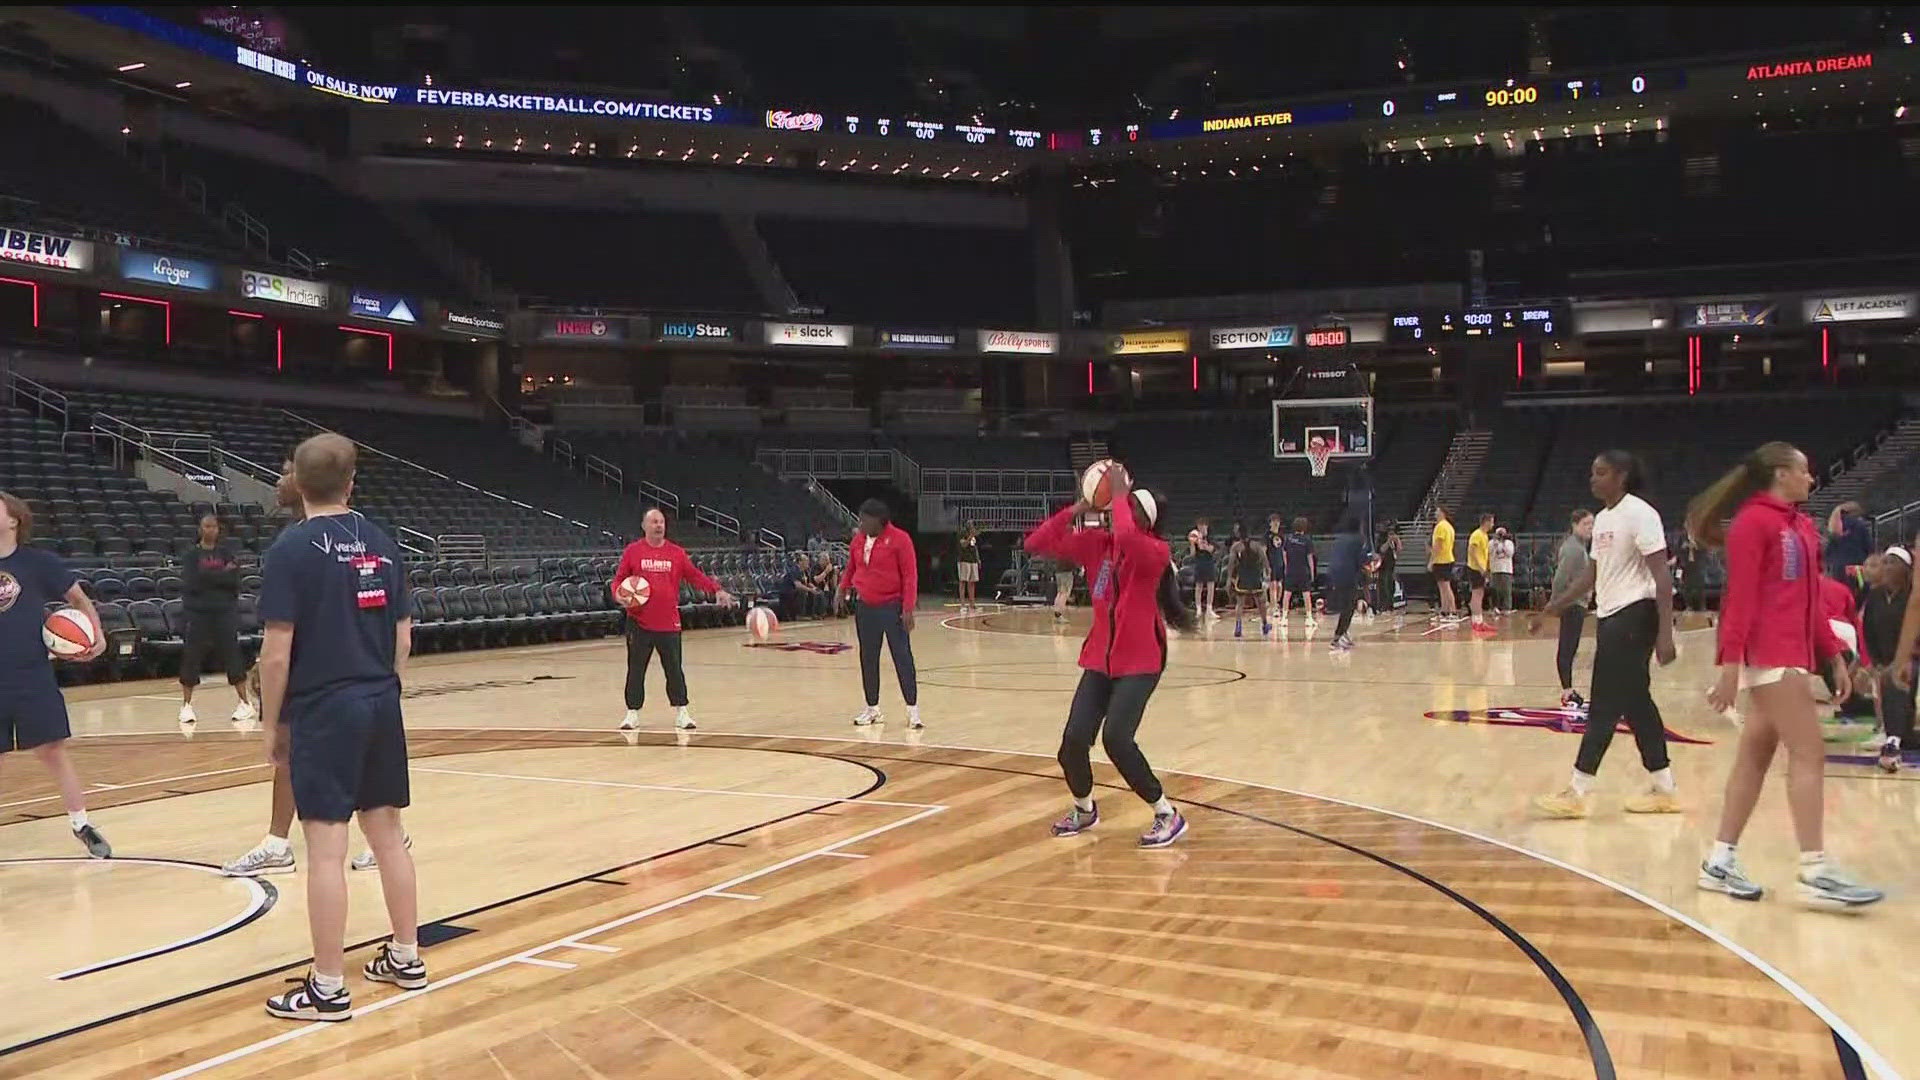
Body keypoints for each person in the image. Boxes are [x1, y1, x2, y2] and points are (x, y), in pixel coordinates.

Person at [256, 434, 425, 1021]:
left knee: (326, 850)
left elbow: (276, 654)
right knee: (388, 836)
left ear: (298, 485)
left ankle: (327, 988)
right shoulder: (382, 542)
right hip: (380, 700)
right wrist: (382, 684)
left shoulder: (291, 549)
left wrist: (271, 722)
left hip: (325, 708)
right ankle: (407, 956)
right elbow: (404, 635)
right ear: (351, 482)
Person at [1688, 442, 1883, 910]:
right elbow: (1740, 599)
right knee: (1809, 750)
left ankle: (1719, 861)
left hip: (1793, 653)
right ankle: (1815, 869)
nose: (1811, 479)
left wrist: (1834, 655)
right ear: (1780, 474)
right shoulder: (1754, 524)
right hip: (1770, 656)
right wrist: (1730, 667)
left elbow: (1812, 599)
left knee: (1755, 756)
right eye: (1804, 471)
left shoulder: (1800, 527)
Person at [1024, 462, 1191, 848]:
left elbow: (1130, 539)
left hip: (1141, 659)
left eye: (1127, 509)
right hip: (1100, 658)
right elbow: (1037, 543)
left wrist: (1115, 495)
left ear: (1142, 520)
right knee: (1073, 740)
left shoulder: (1154, 551)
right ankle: (1084, 808)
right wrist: (1079, 508)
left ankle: (1167, 812)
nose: (1119, 514)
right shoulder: (1100, 548)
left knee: (1117, 739)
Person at [1532, 451, 1681, 818]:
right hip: (1612, 615)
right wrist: (1554, 607)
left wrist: (1666, 631)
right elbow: (1591, 576)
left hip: (1636, 614)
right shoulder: (1602, 520)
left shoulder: (1641, 514)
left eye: (1601, 473)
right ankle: (1665, 787)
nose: (1593, 479)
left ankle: (1578, 790)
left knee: (1603, 703)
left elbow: (1661, 576)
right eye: (1592, 472)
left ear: (1622, 475)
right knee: (1636, 704)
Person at [0, 491, 111, 858]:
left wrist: (96, 635)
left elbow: (78, 599)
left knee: (54, 752)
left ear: (14, 519)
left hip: (31, 674)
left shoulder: (38, 562)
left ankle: (82, 824)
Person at [614, 508, 736, 732]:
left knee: (674, 669)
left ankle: (682, 711)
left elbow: (695, 576)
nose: (658, 526)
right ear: (644, 526)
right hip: (638, 622)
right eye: (653, 522)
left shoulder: (676, 553)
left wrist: (716, 589)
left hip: (669, 622)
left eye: (661, 522)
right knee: (636, 668)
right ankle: (632, 713)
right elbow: (619, 580)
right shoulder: (633, 551)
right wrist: (619, 595)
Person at [835, 499, 920, 729]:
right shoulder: (858, 540)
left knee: (902, 657)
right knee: (868, 658)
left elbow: (910, 576)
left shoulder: (901, 540)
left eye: (864, 520)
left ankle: (913, 710)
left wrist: (908, 608)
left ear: (878, 521)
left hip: (892, 606)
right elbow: (851, 567)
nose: (860, 524)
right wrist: (842, 589)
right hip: (865, 607)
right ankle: (872, 708)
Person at [178, 513, 254, 725]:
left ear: (219, 530)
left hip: (224, 611)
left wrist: (211, 576)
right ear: (200, 529)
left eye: (214, 526)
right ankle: (186, 706)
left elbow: (235, 582)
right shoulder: (192, 555)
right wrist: (222, 574)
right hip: (198, 612)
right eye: (207, 526)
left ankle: (245, 703)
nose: (211, 530)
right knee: (192, 656)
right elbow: (193, 581)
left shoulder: (226, 553)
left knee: (232, 654)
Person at [1861, 546, 1913, 772]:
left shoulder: (1913, 596)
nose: (1888, 567)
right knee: (1888, 687)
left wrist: (1905, 658)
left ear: (1906, 568)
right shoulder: (1874, 595)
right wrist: (1874, 661)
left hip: (1911, 657)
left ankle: (1893, 739)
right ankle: (1894, 737)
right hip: (1884, 658)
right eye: (1886, 562)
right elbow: (1868, 629)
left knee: (1897, 684)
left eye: (1893, 562)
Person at [1553, 510, 1596, 710]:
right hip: (1571, 604)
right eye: (1587, 524)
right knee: (1567, 648)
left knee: (1571, 647)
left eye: (1592, 524)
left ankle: (1568, 690)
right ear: (1575, 525)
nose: (1591, 529)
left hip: (1578, 604)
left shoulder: (1580, 547)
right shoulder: (1574, 549)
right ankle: (1567, 691)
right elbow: (1561, 578)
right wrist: (1556, 603)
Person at [1324, 514, 1371, 652]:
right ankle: (1337, 638)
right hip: (1348, 574)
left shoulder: (1340, 538)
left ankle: (1344, 633)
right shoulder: (1360, 539)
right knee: (1348, 607)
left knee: (1346, 604)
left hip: (1333, 573)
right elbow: (1362, 559)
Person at [1223, 524, 1269, 638]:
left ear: (1238, 534)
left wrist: (1229, 579)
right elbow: (1265, 561)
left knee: (1240, 603)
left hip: (1242, 575)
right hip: (1255, 575)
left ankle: (1238, 626)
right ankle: (1264, 624)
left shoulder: (1236, 547)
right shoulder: (1256, 546)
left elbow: (1231, 564)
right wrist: (1267, 574)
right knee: (1260, 602)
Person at [1280, 516, 1317, 624]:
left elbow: (1284, 554)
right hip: (1303, 570)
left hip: (1291, 570)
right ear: (1304, 527)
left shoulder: (1288, 539)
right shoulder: (1307, 540)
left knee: (1287, 594)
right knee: (1306, 594)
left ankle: (1284, 618)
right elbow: (1310, 557)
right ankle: (1309, 618)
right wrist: (1312, 571)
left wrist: (1287, 567)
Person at [1824, 501, 1871, 583]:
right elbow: (1868, 546)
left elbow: (1829, 550)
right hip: (1857, 568)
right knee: (1859, 591)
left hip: (1837, 569)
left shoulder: (1833, 526)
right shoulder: (1860, 526)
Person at [1428, 507, 1458, 622]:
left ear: (1443, 513)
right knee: (1443, 587)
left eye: (1437, 511)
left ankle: (1453, 611)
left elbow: (1438, 545)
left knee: (1445, 587)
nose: (1435, 513)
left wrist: (1431, 560)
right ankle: (1445, 611)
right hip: (1447, 558)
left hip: (1442, 560)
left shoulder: (1441, 527)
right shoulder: (1449, 526)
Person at [1466, 513, 1494, 633]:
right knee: (1477, 595)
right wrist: (1480, 568)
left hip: (1481, 568)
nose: (1493, 524)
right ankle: (1476, 621)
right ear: (1486, 522)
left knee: (1480, 594)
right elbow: (1472, 551)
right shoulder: (1477, 534)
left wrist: (1487, 568)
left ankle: (1479, 620)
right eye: (1492, 522)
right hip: (1475, 568)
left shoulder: (1484, 536)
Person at [776, 551, 819, 622]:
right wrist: (810, 589)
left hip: (794, 591)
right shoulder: (794, 570)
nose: (808, 563)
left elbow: (808, 582)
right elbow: (798, 585)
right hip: (788, 592)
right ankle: (799, 615)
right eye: (806, 561)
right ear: (800, 562)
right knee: (802, 591)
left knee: (814, 592)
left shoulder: (804, 572)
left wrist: (813, 588)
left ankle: (811, 613)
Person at [1674, 533, 1708, 618]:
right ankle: (1688, 606)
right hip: (1686, 564)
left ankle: (1701, 606)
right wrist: (1684, 547)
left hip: (1698, 564)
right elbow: (1678, 549)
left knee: (1699, 585)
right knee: (1686, 586)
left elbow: (1705, 548)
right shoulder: (1682, 536)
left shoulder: (1700, 536)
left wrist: (1696, 546)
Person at [1187, 518, 1216, 618]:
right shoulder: (1194, 537)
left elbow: (1211, 550)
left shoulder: (1211, 537)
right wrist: (1192, 544)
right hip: (1199, 562)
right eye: (1200, 525)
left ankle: (1209, 609)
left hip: (1209, 562)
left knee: (1211, 586)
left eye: (1203, 525)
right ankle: (1198, 609)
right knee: (1198, 586)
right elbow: (1192, 554)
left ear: (1206, 526)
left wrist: (1202, 544)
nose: (1202, 527)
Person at [1372, 526, 1401, 614]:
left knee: (1391, 585)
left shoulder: (1394, 541)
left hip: (1391, 565)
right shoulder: (1381, 539)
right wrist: (1388, 542)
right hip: (1383, 565)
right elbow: (1381, 550)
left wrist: (1398, 541)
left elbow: (1398, 551)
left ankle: (1390, 605)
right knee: (1384, 585)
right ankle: (1383, 606)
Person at [1489, 526, 1516, 616]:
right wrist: (1496, 545)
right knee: (1495, 590)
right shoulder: (1491, 543)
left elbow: (1510, 553)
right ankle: (1495, 607)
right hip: (1495, 569)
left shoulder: (1509, 543)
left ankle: (1506, 608)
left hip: (1506, 569)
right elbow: (1489, 552)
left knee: (1506, 590)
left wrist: (1503, 544)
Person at [1264, 514, 1286, 614]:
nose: (1276, 523)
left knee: (1279, 585)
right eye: (1273, 521)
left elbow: (1284, 550)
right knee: (1272, 584)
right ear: (1270, 523)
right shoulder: (1267, 535)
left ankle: (1276, 603)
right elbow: (1264, 550)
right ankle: (1273, 606)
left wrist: (1286, 563)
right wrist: (1265, 564)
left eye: (1277, 521)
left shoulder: (1282, 535)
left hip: (1280, 562)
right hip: (1271, 562)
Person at [956, 523, 980, 612]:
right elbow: (964, 545)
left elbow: (975, 548)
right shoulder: (962, 533)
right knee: (963, 581)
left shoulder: (974, 536)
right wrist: (970, 536)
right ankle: (962, 605)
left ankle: (972, 604)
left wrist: (978, 559)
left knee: (972, 582)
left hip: (973, 560)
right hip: (964, 559)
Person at [1052, 556, 1076, 621]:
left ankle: (1056, 613)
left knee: (1059, 593)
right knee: (1064, 594)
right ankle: (1059, 614)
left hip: (1058, 571)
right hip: (1066, 572)